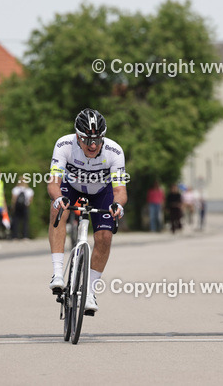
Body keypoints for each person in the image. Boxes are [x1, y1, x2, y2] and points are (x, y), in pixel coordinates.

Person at [48, 108, 127, 315]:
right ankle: (57, 273)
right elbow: (53, 183)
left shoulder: (114, 151)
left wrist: (118, 205)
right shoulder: (64, 145)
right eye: (87, 140)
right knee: (58, 211)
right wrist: (58, 198)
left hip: (101, 191)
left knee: (105, 237)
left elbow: (120, 191)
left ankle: (90, 291)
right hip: (71, 187)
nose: (93, 145)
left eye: (98, 140)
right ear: (77, 137)